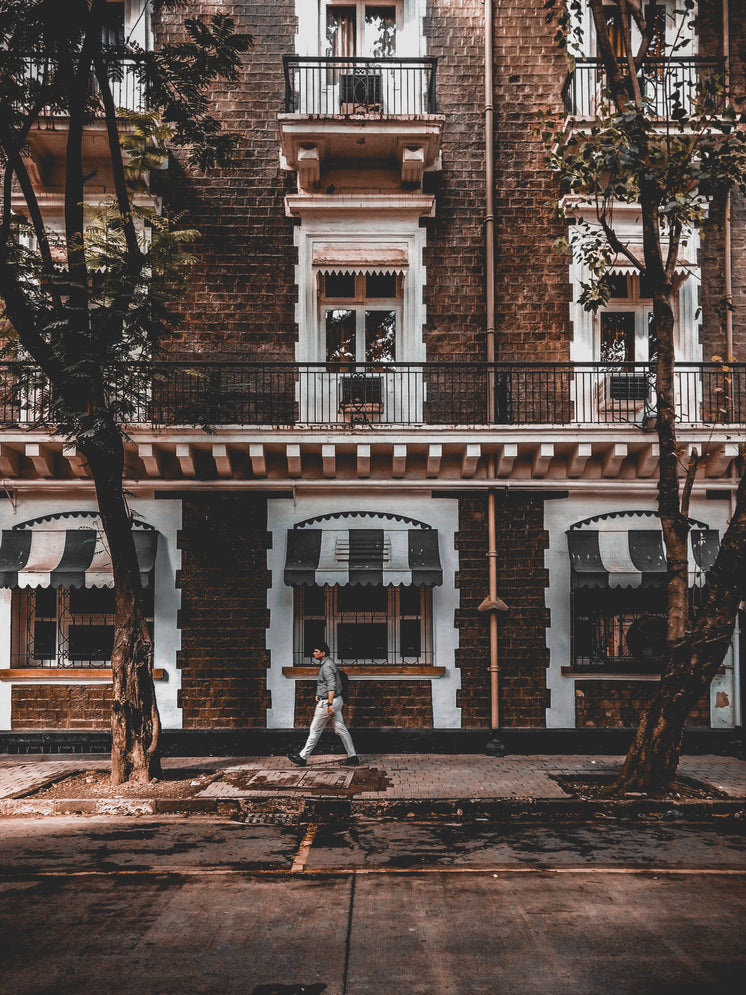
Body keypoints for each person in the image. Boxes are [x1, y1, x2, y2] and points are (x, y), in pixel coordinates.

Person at [287, 642, 360, 767]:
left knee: (315, 729)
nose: (313, 653)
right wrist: (320, 694)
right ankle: (353, 756)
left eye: (316, 651)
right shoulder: (329, 663)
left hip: (328, 702)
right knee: (340, 729)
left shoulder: (326, 666)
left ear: (323, 653)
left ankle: (302, 757)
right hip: (336, 700)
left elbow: (331, 686)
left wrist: (329, 704)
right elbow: (327, 684)